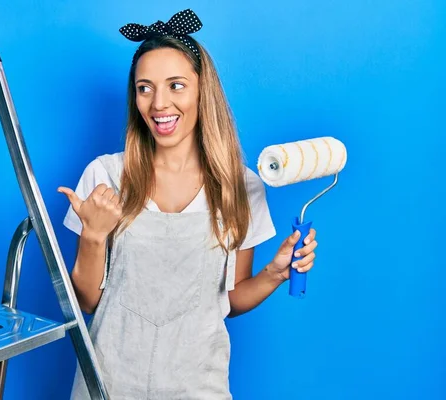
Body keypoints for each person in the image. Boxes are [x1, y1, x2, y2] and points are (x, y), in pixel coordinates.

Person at [57, 9, 317, 399]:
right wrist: (93, 236)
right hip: (109, 385)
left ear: (201, 90)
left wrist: (275, 274)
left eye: (175, 85)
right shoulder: (106, 177)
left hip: (197, 386)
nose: (159, 104)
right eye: (145, 88)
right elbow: (87, 302)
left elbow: (227, 300)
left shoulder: (241, 187)